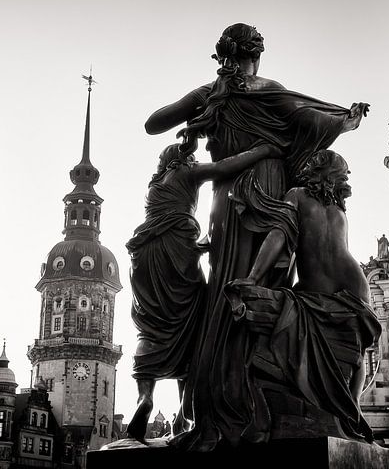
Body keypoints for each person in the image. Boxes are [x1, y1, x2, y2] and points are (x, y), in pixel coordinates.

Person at [145, 23, 368, 450]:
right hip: (269, 190)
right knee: (265, 289)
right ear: (257, 56)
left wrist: (202, 105)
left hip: (226, 198)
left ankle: (215, 406)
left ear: (221, 56)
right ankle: (256, 401)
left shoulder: (209, 93)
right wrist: (347, 119)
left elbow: (153, 124)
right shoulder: (270, 90)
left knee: (222, 293)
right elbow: (314, 120)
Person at [125, 140, 281, 442]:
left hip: (144, 258)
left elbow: (166, 217)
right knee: (193, 326)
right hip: (175, 250)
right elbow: (224, 167)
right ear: (182, 159)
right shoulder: (186, 172)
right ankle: (185, 415)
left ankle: (145, 397)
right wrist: (264, 150)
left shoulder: (155, 185)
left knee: (150, 327)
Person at [226, 150, 380, 443]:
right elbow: (301, 240)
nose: (346, 178)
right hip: (353, 283)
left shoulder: (297, 196)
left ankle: (349, 409)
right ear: (331, 175)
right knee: (357, 352)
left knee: (351, 349)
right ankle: (353, 407)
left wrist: (254, 277)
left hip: (324, 285)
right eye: (343, 173)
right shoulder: (336, 207)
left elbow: (278, 236)